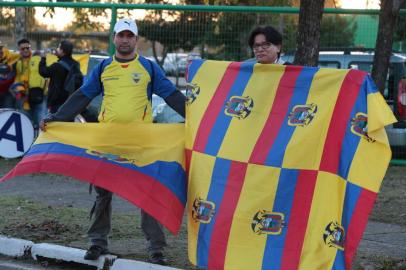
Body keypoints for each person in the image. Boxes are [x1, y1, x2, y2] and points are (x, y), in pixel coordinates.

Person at [40, 18, 186, 266]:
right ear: (114, 39)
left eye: (130, 36)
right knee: (103, 193)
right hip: (107, 141)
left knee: (147, 192)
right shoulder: (104, 67)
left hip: (141, 142)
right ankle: (97, 242)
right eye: (121, 35)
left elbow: (171, 95)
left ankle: (156, 248)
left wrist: (195, 118)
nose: (125, 40)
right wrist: (57, 117)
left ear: (136, 39)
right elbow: (82, 96)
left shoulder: (149, 68)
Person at [39, 40, 80, 114]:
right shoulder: (75, 64)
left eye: (58, 48)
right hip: (70, 101)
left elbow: (43, 72)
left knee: (54, 123)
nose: (57, 50)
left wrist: (43, 58)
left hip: (57, 102)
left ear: (63, 51)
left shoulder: (57, 66)